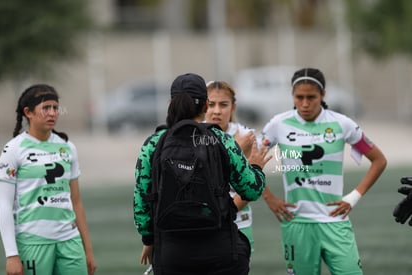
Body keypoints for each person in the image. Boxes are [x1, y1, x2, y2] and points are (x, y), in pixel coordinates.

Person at [133, 73, 271, 275]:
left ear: (171, 103)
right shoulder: (220, 138)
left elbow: (141, 200)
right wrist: (256, 167)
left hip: (171, 253)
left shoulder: (154, 143)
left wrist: (149, 239)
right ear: (206, 106)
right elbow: (252, 190)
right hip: (220, 250)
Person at [259, 68, 387, 275]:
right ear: (292, 96)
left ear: (323, 95)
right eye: (299, 97)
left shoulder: (342, 124)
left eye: (312, 97)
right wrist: (269, 198)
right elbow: (249, 163)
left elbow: (379, 160)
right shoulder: (278, 124)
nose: (305, 104)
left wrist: (353, 197)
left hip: (335, 222)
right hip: (297, 223)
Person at [0, 84, 97, 275]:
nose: (52, 113)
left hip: (70, 240)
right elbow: (3, 204)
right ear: (28, 112)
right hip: (32, 241)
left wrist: (88, 250)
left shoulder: (67, 147)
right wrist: (11, 255)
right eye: (46, 108)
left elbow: (76, 201)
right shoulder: (13, 150)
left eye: (55, 108)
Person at [205, 80, 257, 252]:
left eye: (223, 104)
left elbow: (250, 187)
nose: (217, 111)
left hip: (238, 224)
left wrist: (224, 214)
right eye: (211, 104)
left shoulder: (247, 136)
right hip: (203, 225)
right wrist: (236, 150)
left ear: (233, 107)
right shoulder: (193, 135)